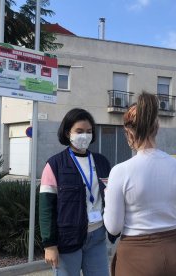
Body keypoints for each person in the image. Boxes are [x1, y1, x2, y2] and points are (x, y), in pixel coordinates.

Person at [104, 92, 176, 276]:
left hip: (135, 258)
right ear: (157, 126)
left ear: (129, 131)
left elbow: (113, 227)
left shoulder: (120, 171)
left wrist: (108, 196)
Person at [39, 108, 112, 276]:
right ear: (67, 133)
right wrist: (49, 245)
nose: (84, 136)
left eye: (88, 132)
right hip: (67, 239)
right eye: (79, 131)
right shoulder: (54, 165)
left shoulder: (102, 162)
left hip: (97, 236)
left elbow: (110, 196)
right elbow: (46, 208)